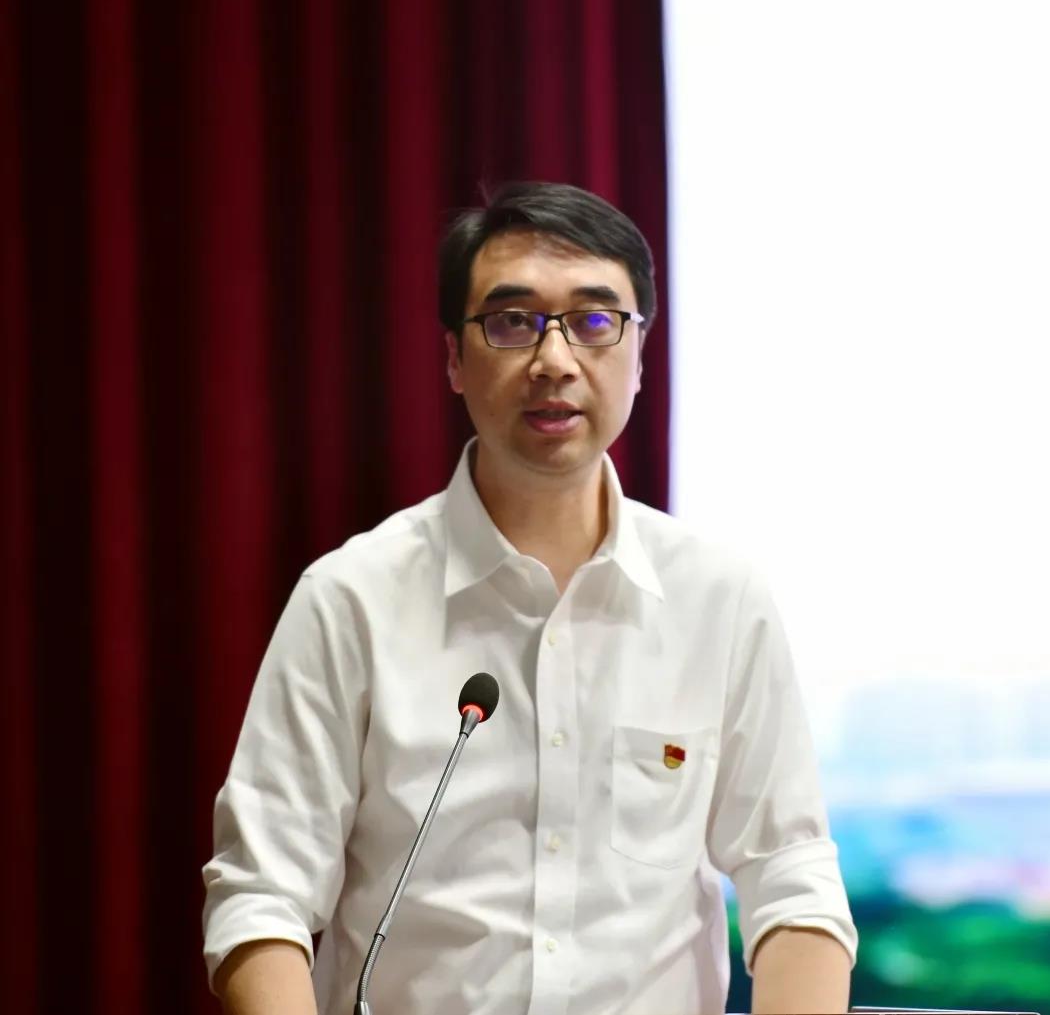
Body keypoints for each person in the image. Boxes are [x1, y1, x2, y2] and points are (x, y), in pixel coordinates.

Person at [202, 182, 857, 1015]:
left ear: (640, 354)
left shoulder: (718, 598)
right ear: (453, 358)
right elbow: (263, 894)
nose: (555, 359)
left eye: (594, 320)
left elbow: (791, 877)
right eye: (513, 321)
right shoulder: (351, 600)